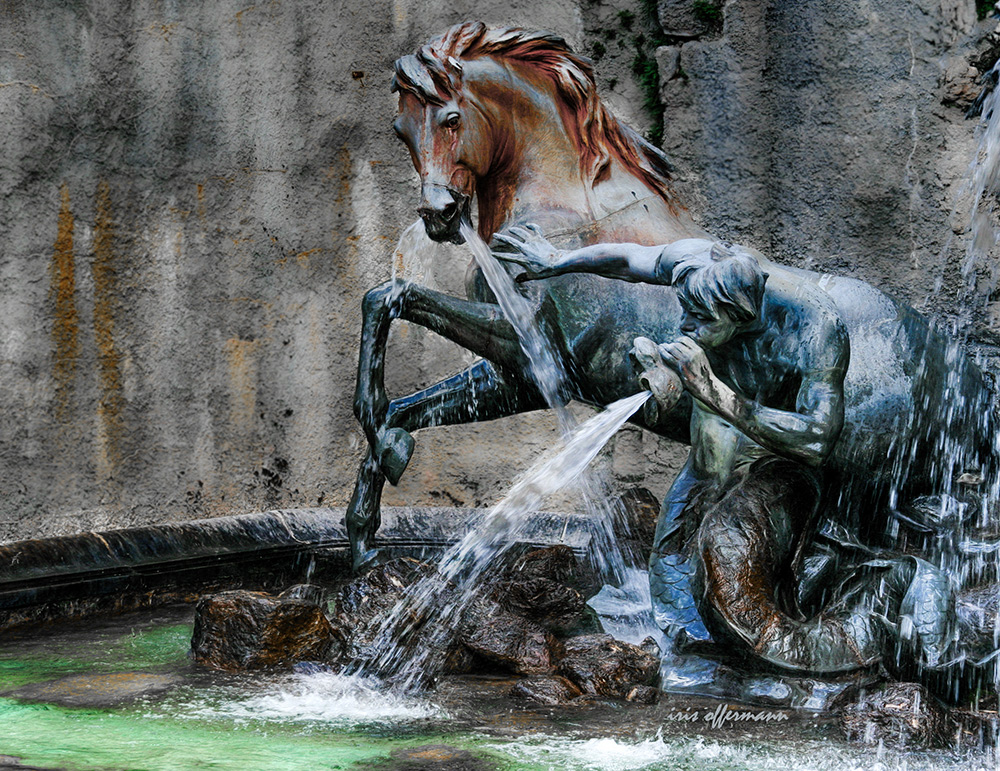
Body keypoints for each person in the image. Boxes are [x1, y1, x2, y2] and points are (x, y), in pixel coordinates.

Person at [492, 225, 902, 673]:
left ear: (741, 315)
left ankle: (787, 646)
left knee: (727, 548)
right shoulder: (694, 261)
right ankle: (693, 658)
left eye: (700, 319)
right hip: (719, 430)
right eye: (684, 310)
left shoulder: (814, 327)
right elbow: (628, 260)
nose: (685, 327)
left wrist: (712, 392)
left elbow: (819, 440)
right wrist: (556, 260)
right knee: (672, 541)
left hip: (784, 452)